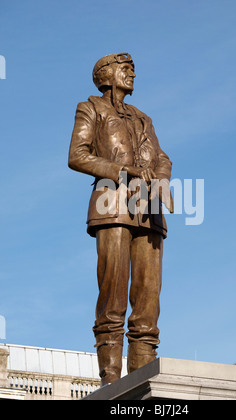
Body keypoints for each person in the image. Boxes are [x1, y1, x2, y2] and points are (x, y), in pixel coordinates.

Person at [68, 53, 173, 385]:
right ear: (106, 75)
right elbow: (78, 155)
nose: (133, 75)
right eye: (126, 70)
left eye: (133, 70)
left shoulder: (144, 117)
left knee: (148, 301)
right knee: (112, 295)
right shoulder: (91, 108)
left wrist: (162, 180)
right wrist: (122, 172)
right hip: (111, 206)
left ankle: (143, 381)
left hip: (150, 211)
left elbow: (161, 156)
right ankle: (111, 382)